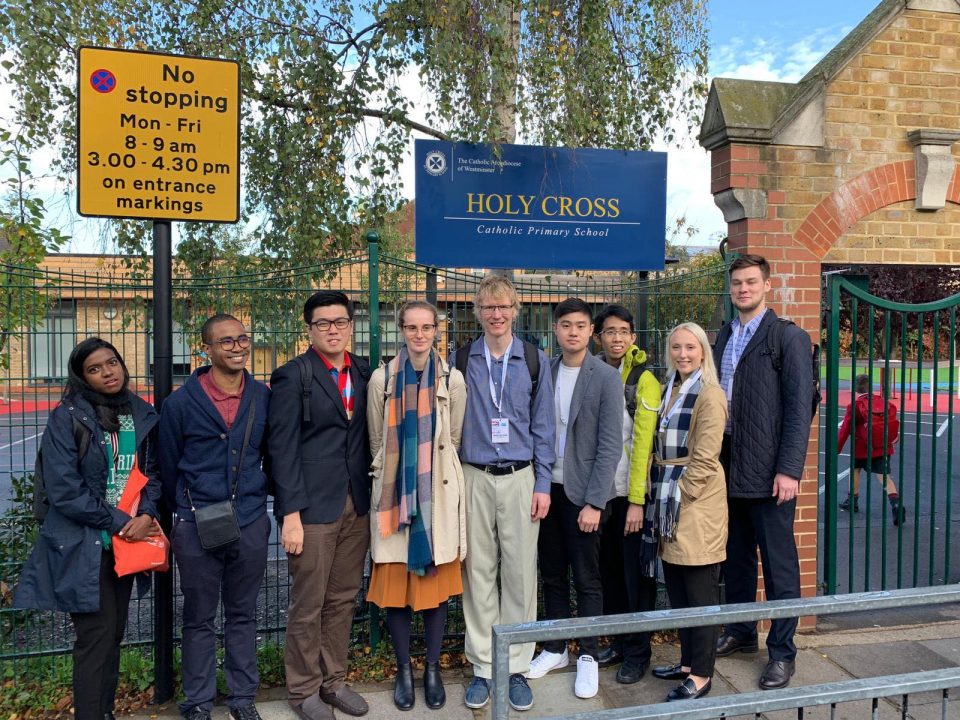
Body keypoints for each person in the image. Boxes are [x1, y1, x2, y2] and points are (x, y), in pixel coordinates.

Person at [15, 338, 162, 720]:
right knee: (95, 637)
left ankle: (104, 711)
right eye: (95, 369)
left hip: (127, 543)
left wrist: (146, 513)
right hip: (85, 543)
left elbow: (153, 473)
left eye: (111, 362)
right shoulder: (67, 417)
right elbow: (64, 490)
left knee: (113, 634)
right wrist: (120, 522)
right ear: (82, 377)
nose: (108, 372)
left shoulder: (139, 412)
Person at [451, 274, 556, 712]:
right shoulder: (460, 361)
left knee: (518, 573)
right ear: (478, 312)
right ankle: (481, 666)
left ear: (516, 310)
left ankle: (514, 665)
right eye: (488, 307)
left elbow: (545, 427)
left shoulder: (534, 360)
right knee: (477, 573)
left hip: (520, 478)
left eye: (504, 307)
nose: (497, 314)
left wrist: (544, 483)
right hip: (473, 475)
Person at [159, 314, 271, 720]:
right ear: (205, 348)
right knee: (199, 617)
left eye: (243, 338)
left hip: (250, 520)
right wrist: (188, 510)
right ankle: (198, 701)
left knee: (244, 614)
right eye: (226, 341)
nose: (238, 347)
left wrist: (257, 503)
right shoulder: (179, 404)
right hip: (195, 523)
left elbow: (270, 456)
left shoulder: (263, 396)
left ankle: (243, 699)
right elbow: (169, 466)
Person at [269, 290, 372, 720]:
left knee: (343, 598)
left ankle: (333, 681)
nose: (333, 329)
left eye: (340, 322)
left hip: (357, 504)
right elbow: (281, 449)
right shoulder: (294, 376)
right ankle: (303, 689)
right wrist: (289, 514)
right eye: (323, 323)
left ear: (351, 325)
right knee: (308, 602)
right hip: (311, 509)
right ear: (309, 328)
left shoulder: (364, 372)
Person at [713, 254, 813, 691]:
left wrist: (789, 470)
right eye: (737, 283)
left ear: (767, 286)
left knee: (779, 568)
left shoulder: (786, 338)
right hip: (727, 465)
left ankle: (782, 654)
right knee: (735, 560)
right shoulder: (723, 335)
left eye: (751, 282)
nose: (743, 289)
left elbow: (799, 409)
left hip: (771, 471)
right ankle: (739, 631)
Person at [366, 300, 467, 711]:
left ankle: (432, 669)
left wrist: (425, 474)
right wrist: (398, 477)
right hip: (394, 496)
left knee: (434, 590)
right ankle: (404, 669)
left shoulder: (452, 379)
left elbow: (454, 439)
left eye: (427, 327)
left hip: (436, 496)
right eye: (411, 327)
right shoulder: (382, 379)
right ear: (401, 330)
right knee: (395, 591)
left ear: (437, 331)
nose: (419, 335)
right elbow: (376, 440)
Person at [526, 299, 623, 699]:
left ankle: (587, 654)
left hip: (584, 495)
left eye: (580, 326)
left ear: (590, 332)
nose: (572, 332)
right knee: (551, 574)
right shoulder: (544, 370)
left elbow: (610, 445)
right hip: (548, 489)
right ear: (556, 329)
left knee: (586, 578)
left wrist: (596, 502)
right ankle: (554, 647)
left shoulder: (604, 377)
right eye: (565, 325)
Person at [646, 323, 728, 702]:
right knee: (678, 589)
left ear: (702, 352)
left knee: (700, 592)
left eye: (690, 348)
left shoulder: (709, 394)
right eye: (676, 347)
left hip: (694, 505)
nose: (682, 354)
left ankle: (701, 675)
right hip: (669, 499)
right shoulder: (671, 389)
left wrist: (681, 493)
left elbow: (707, 456)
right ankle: (686, 663)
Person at [592, 304, 661, 683]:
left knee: (637, 578)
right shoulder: (596, 372)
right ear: (598, 337)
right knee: (612, 575)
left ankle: (638, 652)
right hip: (602, 495)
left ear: (633, 337)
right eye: (609, 331)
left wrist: (636, 501)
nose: (616, 338)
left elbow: (643, 441)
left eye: (623, 331)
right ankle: (619, 643)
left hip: (631, 495)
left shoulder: (644, 378)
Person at [837, 374, 906, 525]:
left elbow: (845, 429)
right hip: (883, 446)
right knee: (884, 476)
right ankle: (895, 503)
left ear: (855, 389)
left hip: (862, 446)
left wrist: (836, 448)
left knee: (855, 470)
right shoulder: (885, 403)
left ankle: (852, 500)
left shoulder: (855, 406)